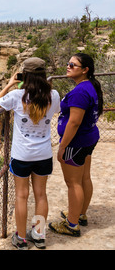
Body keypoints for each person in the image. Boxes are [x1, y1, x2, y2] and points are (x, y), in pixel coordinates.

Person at [0, 57, 60, 250]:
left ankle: (21, 239)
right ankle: (39, 236)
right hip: (44, 154)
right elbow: (56, 109)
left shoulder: (17, 96)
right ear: (44, 74)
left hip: (22, 155)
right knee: (41, 196)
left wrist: (10, 84)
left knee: (22, 196)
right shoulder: (53, 95)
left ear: (25, 75)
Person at [49, 53, 103, 237]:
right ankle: (79, 214)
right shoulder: (88, 86)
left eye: (73, 65)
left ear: (85, 70)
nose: (68, 66)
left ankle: (72, 224)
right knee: (84, 178)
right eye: (68, 63)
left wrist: (62, 146)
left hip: (76, 142)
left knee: (73, 183)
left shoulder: (80, 92)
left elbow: (74, 122)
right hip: (88, 138)